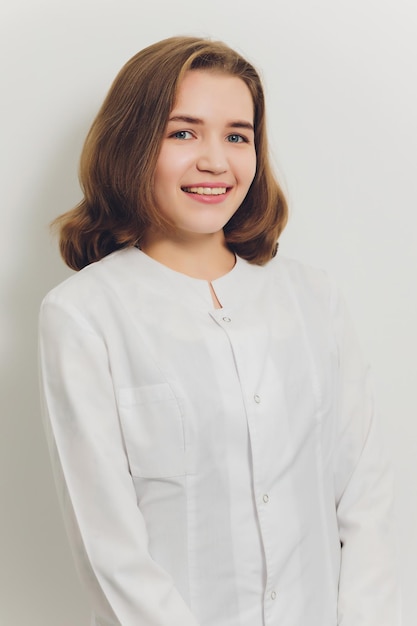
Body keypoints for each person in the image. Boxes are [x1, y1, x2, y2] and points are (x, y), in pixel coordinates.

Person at [38, 36, 400, 626]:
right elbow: (109, 548)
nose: (216, 160)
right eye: (183, 132)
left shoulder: (314, 298)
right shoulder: (84, 315)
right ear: (132, 144)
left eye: (237, 135)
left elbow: (365, 499)